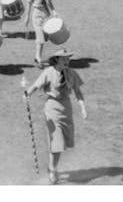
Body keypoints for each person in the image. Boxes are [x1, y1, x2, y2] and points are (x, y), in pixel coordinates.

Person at [23, 48, 87, 184]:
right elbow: (35, 85)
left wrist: (82, 107)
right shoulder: (48, 72)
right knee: (56, 143)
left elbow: (78, 92)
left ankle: (52, 167)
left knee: (66, 143)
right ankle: (52, 170)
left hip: (66, 109)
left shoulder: (72, 73)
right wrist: (27, 94)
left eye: (68, 59)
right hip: (52, 109)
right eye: (64, 59)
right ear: (57, 59)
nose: (67, 61)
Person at [24, 0, 57, 68]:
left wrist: (54, 12)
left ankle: (37, 56)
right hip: (37, 16)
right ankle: (38, 58)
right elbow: (29, 5)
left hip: (46, 16)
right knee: (40, 39)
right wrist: (27, 17)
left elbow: (49, 2)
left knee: (45, 38)